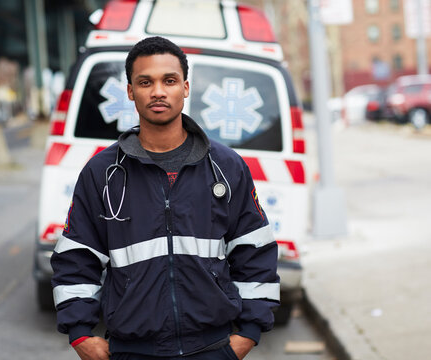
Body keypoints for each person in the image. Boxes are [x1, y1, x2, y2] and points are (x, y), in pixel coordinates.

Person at [51, 36, 279, 360]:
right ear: (130, 91)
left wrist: (248, 334)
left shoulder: (227, 167)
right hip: (131, 351)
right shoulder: (102, 173)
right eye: (145, 82)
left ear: (185, 88)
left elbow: (255, 252)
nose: (158, 91)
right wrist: (80, 335)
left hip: (213, 349)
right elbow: (76, 258)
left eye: (169, 80)